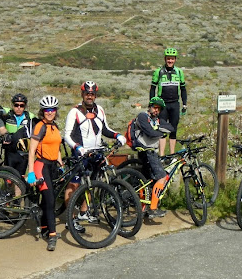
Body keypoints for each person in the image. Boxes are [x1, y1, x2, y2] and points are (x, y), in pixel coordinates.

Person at [63, 81, 126, 232]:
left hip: (96, 152)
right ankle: (70, 219)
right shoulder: (75, 112)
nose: (89, 96)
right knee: (74, 185)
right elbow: (67, 135)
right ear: (82, 94)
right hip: (80, 153)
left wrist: (117, 135)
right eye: (87, 94)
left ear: (95, 95)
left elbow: (105, 129)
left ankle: (83, 212)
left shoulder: (100, 110)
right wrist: (78, 147)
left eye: (92, 94)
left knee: (94, 182)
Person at [27, 95, 63, 251]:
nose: (50, 112)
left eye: (52, 109)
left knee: (49, 199)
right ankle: (52, 235)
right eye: (47, 110)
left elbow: (57, 148)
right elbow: (32, 150)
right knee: (50, 200)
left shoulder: (55, 126)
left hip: (53, 166)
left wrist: (60, 163)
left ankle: (44, 227)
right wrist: (30, 172)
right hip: (41, 166)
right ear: (42, 111)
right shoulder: (40, 126)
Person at [132, 96, 174, 218]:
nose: (156, 110)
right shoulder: (142, 116)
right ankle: (153, 208)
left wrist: (159, 129)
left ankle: (144, 207)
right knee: (161, 176)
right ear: (150, 106)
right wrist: (161, 132)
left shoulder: (156, 120)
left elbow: (171, 128)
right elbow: (150, 132)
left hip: (151, 151)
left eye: (159, 109)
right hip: (146, 150)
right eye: (155, 107)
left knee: (148, 180)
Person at [149, 47, 187, 156]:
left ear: (175, 60)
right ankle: (161, 155)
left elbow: (183, 89)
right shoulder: (158, 72)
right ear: (165, 59)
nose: (170, 61)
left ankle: (172, 154)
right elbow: (152, 89)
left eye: (172, 59)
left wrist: (185, 104)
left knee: (173, 129)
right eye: (168, 59)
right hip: (162, 105)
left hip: (175, 104)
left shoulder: (179, 72)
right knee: (162, 129)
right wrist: (152, 105)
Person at [1, 93, 36, 178]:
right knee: (8, 178)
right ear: (12, 105)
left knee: (20, 178)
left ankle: (19, 191)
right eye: (16, 105)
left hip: (23, 153)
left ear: (25, 106)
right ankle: (8, 191)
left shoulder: (30, 117)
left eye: (22, 105)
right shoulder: (7, 114)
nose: (19, 108)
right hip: (9, 151)